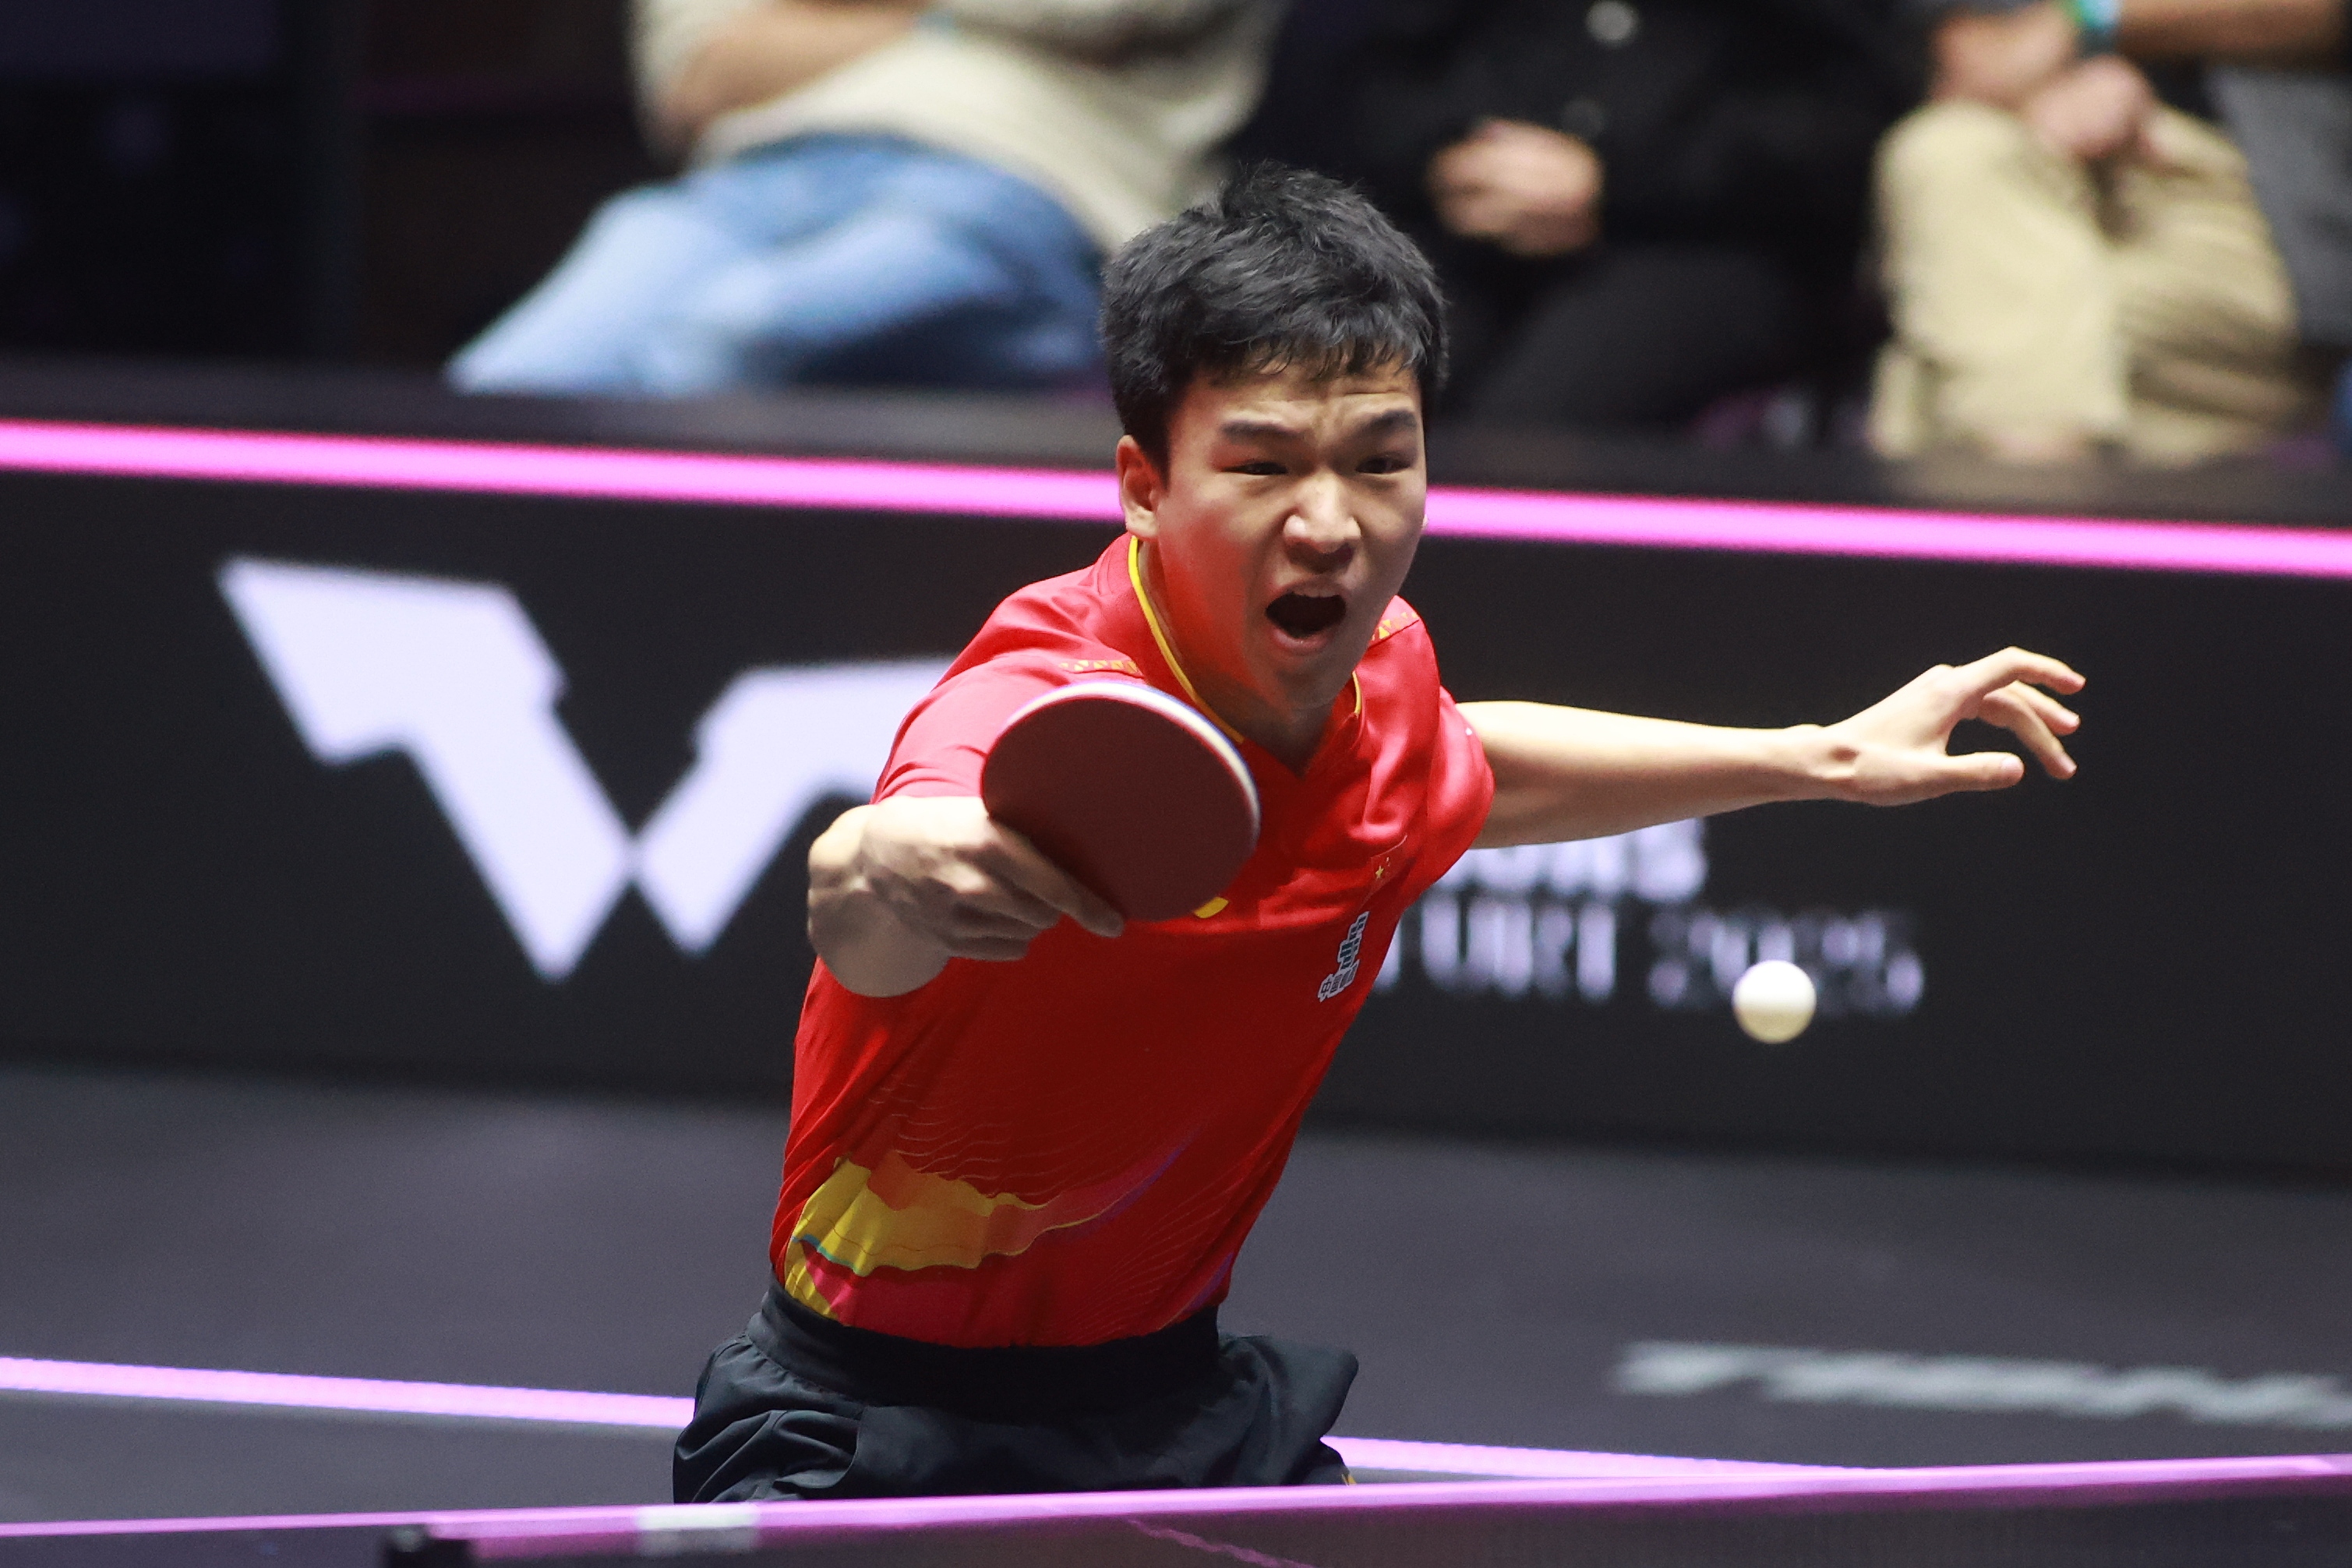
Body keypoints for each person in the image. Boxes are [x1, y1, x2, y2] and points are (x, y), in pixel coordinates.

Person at [672, 166, 2085, 1502]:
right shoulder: (1050, 692)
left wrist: (1813, 757)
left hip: (1171, 1408)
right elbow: (879, 875)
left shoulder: (1387, 681)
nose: (1330, 523)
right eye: (1264, 463)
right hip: (875, 1418)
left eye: (1378, 459)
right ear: (1142, 481)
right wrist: (879, 858)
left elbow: (1463, 766)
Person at [446, 0, 1279, 398]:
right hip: (751, 177)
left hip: (1026, 180)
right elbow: (691, 72)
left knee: (731, 342)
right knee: (503, 393)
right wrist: (952, 21)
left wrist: (813, 20)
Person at [1327, 0, 1917, 431]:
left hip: (1709, 242)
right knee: (1346, 401)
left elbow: (1846, 122)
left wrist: (1613, 183)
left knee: (1525, 435)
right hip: (1471, 222)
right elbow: (1380, 74)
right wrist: (1450, 153)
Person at [1870, 0, 2352, 464]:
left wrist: (2091, 17)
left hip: (2255, 194)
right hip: (2044, 140)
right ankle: (2041, 504)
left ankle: (2021, 506)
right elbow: (1977, 58)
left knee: (1947, 360)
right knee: (1948, 152)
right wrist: (2062, 85)